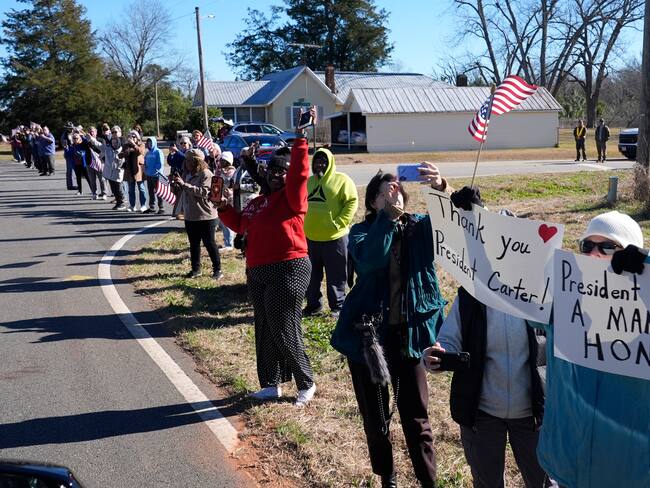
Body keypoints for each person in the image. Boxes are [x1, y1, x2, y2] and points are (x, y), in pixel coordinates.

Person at [330, 164, 450, 488]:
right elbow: (371, 260)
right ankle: (388, 477)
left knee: (418, 419)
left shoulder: (419, 228)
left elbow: (449, 226)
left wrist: (440, 188)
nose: (394, 194)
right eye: (386, 191)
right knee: (376, 418)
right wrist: (387, 219)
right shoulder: (361, 232)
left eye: (398, 189)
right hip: (370, 341)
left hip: (409, 338)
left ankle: (429, 482)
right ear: (372, 201)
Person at [422, 210, 549, 488]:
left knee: (541, 482)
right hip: (482, 415)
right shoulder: (470, 294)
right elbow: (449, 339)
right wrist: (438, 355)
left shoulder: (541, 293)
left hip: (533, 414)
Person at [530, 210, 650, 488]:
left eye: (609, 246)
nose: (595, 254)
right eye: (588, 246)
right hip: (567, 465)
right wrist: (471, 214)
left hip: (628, 473)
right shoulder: (562, 298)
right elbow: (511, 284)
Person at [218, 109, 317, 407]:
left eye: (282, 170)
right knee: (263, 326)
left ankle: (306, 382)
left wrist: (300, 139)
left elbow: (300, 173)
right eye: (272, 169)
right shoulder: (259, 201)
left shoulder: (292, 199)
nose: (277, 174)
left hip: (289, 268)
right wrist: (222, 206)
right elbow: (240, 224)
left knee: (283, 324)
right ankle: (271, 384)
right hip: (257, 270)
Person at [304, 148, 358, 318]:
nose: (320, 164)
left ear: (330, 163)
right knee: (311, 276)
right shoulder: (309, 182)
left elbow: (351, 202)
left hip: (335, 238)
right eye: (317, 161)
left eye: (323, 161)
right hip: (311, 237)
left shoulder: (342, 180)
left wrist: (339, 223)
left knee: (337, 276)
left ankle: (337, 307)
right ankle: (313, 306)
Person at [171, 149, 222, 279]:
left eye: (189, 160)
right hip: (191, 215)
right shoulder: (188, 174)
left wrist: (185, 185)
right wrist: (178, 186)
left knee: (210, 243)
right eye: (186, 160)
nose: (186, 163)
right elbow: (186, 191)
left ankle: (218, 270)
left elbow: (205, 192)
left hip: (206, 215)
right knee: (194, 244)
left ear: (196, 161)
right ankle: (196, 269)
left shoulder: (206, 174)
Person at [119, 130, 147, 212]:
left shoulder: (141, 144)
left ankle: (143, 205)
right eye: (130, 137)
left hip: (138, 170)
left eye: (134, 136)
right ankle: (132, 205)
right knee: (131, 190)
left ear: (137, 137)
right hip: (129, 170)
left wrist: (134, 145)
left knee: (141, 188)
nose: (132, 138)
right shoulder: (125, 145)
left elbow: (140, 152)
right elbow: (119, 155)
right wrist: (126, 152)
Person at [102, 126, 127, 211]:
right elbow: (103, 147)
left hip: (119, 168)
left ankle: (122, 201)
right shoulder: (110, 142)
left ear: (120, 132)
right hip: (111, 169)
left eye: (115, 132)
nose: (114, 134)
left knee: (119, 186)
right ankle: (118, 202)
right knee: (114, 187)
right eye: (112, 132)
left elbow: (124, 153)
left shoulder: (123, 140)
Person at [217, 151, 236, 250]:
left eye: (222, 160)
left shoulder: (231, 171)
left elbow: (228, 184)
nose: (220, 162)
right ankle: (227, 241)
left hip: (230, 199)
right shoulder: (222, 171)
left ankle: (229, 244)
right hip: (223, 198)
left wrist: (222, 174)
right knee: (223, 222)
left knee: (227, 222)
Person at [143, 137, 165, 214]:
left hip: (157, 175)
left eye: (151, 142)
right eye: (148, 143)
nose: (149, 144)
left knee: (159, 192)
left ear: (154, 143)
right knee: (150, 191)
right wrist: (145, 169)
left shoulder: (158, 152)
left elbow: (160, 163)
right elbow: (145, 162)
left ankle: (161, 207)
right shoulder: (148, 153)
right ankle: (152, 207)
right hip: (149, 175)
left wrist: (156, 170)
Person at [84, 126, 107, 200]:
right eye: (89, 131)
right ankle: (94, 193)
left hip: (100, 161)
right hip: (89, 162)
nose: (91, 132)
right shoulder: (85, 141)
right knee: (92, 179)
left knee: (102, 179)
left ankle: (104, 193)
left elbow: (103, 150)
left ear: (96, 132)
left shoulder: (101, 140)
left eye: (92, 131)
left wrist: (92, 141)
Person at [60, 121, 77, 190]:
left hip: (75, 153)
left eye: (72, 128)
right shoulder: (64, 136)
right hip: (69, 153)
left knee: (75, 169)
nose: (71, 129)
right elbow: (65, 146)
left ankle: (74, 184)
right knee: (70, 170)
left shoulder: (74, 133)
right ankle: (70, 185)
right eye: (70, 128)